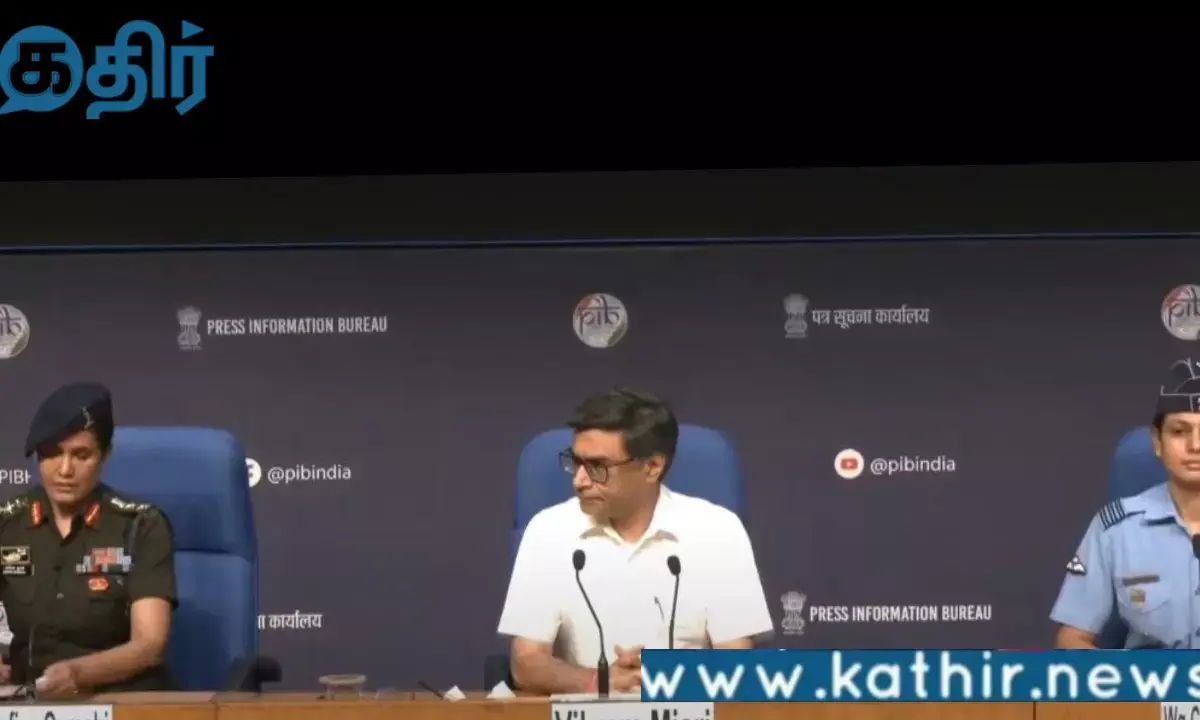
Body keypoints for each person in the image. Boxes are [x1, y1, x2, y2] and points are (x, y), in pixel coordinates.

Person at [497, 388, 774, 695]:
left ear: (652, 467)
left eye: (597, 467)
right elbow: (526, 664)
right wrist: (598, 682)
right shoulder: (547, 530)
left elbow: (736, 662)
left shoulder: (718, 530)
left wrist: (659, 677)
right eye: (575, 463)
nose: (579, 480)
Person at [0, 382, 177, 697]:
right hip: (29, 699)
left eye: (81, 455)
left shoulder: (141, 525)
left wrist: (79, 674)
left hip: (120, 697)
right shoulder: (6, 524)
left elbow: (149, 644)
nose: (65, 469)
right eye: (53, 453)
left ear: (105, 455)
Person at [1051, 358, 1200, 649]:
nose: (1195, 445)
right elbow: (1071, 639)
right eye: (1179, 431)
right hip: (1152, 678)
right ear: (1157, 442)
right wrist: (1118, 675)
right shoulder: (1115, 529)